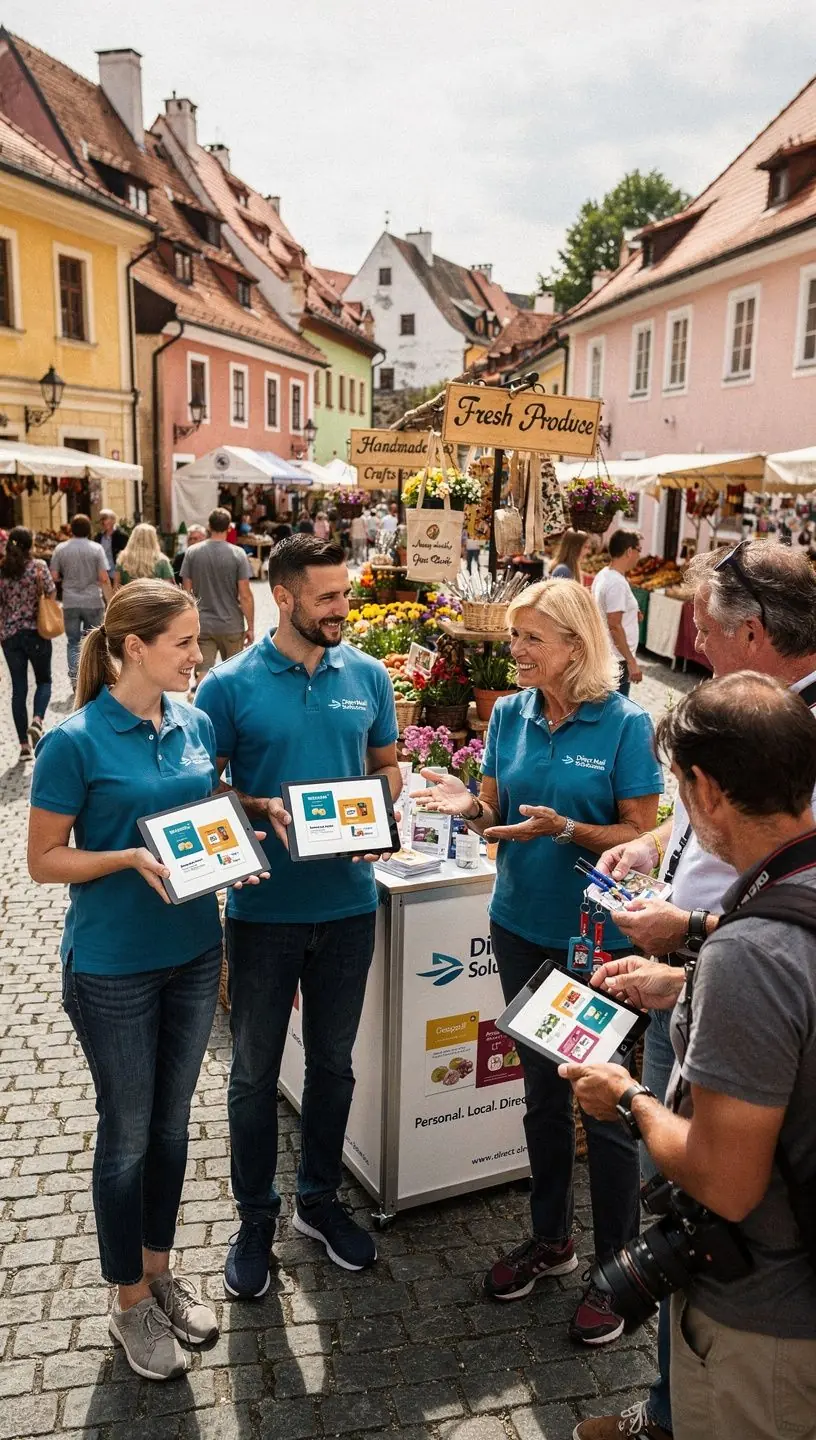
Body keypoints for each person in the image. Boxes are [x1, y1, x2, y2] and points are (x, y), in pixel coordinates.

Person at [580, 537, 816, 1440]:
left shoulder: (753, 956)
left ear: (710, 793)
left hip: (764, 1314)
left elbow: (725, 1176)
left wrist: (630, 1097)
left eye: (681, 789)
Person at [414, 579, 662, 1343]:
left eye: (529, 639)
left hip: (597, 942)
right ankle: (552, 1240)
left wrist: (568, 831)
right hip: (518, 925)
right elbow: (496, 811)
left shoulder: (623, 725)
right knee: (540, 1098)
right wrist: (470, 808)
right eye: (514, 636)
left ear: (576, 646)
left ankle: (621, 1271)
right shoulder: (509, 715)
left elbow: (642, 837)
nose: (513, 650)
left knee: (607, 1106)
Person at [27, 582, 229, 1381]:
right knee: (128, 1135)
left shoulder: (195, 720)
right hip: (112, 965)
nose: (197, 656)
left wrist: (230, 853)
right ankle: (128, 1305)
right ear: (134, 647)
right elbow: (44, 861)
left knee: (173, 1128)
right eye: (183, 642)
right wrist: (125, 857)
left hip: (193, 951)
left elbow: (205, 814)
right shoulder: (74, 741)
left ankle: (158, 1269)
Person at [195, 535, 400, 1295]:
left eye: (345, 593)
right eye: (328, 598)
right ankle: (255, 1219)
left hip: (349, 908)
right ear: (283, 598)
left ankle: (318, 1201)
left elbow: (386, 765)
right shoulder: (228, 685)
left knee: (334, 1064)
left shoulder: (369, 675)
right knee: (251, 1074)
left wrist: (383, 812)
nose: (343, 608)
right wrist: (252, 805)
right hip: (263, 910)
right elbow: (201, 786)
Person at [0, 526, 57, 759]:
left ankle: (24, 747)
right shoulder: (39, 567)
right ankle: (37, 719)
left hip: (9, 636)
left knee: (19, 688)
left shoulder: (2, 570)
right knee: (44, 680)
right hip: (37, 632)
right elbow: (52, 593)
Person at [181, 507, 254, 680]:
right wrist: (250, 626)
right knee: (234, 673)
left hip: (202, 624)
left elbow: (186, 593)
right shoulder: (238, 554)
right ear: (229, 528)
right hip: (231, 624)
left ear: (208, 526)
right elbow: (245, 595)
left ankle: (202, 704)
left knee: (203, 672)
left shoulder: (192, 553)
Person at [50, 515, 111, 689]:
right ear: (88, 529)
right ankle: (93, 678)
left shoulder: (61, 549)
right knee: (93, 640)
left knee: (72, 641)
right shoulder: (96, 548)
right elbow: (103, 576)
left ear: (71, 529)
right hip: (92, 600)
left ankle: (75, 679)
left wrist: (66, 577)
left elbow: (53, 575)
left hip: (70, 601)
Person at [591, 529, 642, 695]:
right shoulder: (617, 583)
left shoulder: (605, 574)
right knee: (614, 713)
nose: (639, 555)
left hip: (607, 654)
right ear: (629, 551)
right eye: (638, 550)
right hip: (617, 659)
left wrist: (632, 613)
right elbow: (614, 625)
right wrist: (631, 661)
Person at [114, 523, 175, 589]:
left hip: (129, 598)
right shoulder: (162, 560)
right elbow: (170, 588)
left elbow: (116, 587)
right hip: (156, 598)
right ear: (153, 539)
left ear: (132, 538)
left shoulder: (122, 559)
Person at [95, 509, 128, 583]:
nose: (103, 522)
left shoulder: (121, 536)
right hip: (102, 576)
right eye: (101, 519)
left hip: (116, 574)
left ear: (113, 520)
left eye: (105, 519)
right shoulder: (98, 537)